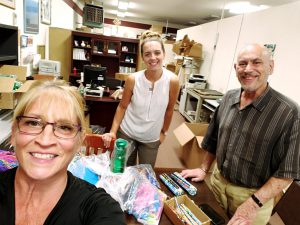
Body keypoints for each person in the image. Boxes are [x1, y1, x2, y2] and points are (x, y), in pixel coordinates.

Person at [181, 43, 300, 225]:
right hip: (217, 183)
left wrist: (253, 204)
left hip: (254, 197)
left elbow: (287, 172)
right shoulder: (228, 97)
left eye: (256, 62)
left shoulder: (289, 113)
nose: (248, 69)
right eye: (243, 63)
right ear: (236, 68)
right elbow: (213, 139)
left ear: (271, 67)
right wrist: (204, 168)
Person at [0, 80, 126, 225]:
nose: (45, 141)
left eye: (64, 127)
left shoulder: (100, 209)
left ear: (79, 141)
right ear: (14, 133)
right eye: (33, 123)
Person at [103, 30, 180, 168]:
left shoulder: (172, 81)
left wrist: (164, 133)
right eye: (147, 54)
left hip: (151, 138)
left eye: (157, 52)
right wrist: (113, 131)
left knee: (145, 175)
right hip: (127, 133)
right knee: (120, 170)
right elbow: (122, 106)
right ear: (142, 58)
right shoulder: (133, 79)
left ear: (164, 54)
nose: (153, 58)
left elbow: (169, 110)